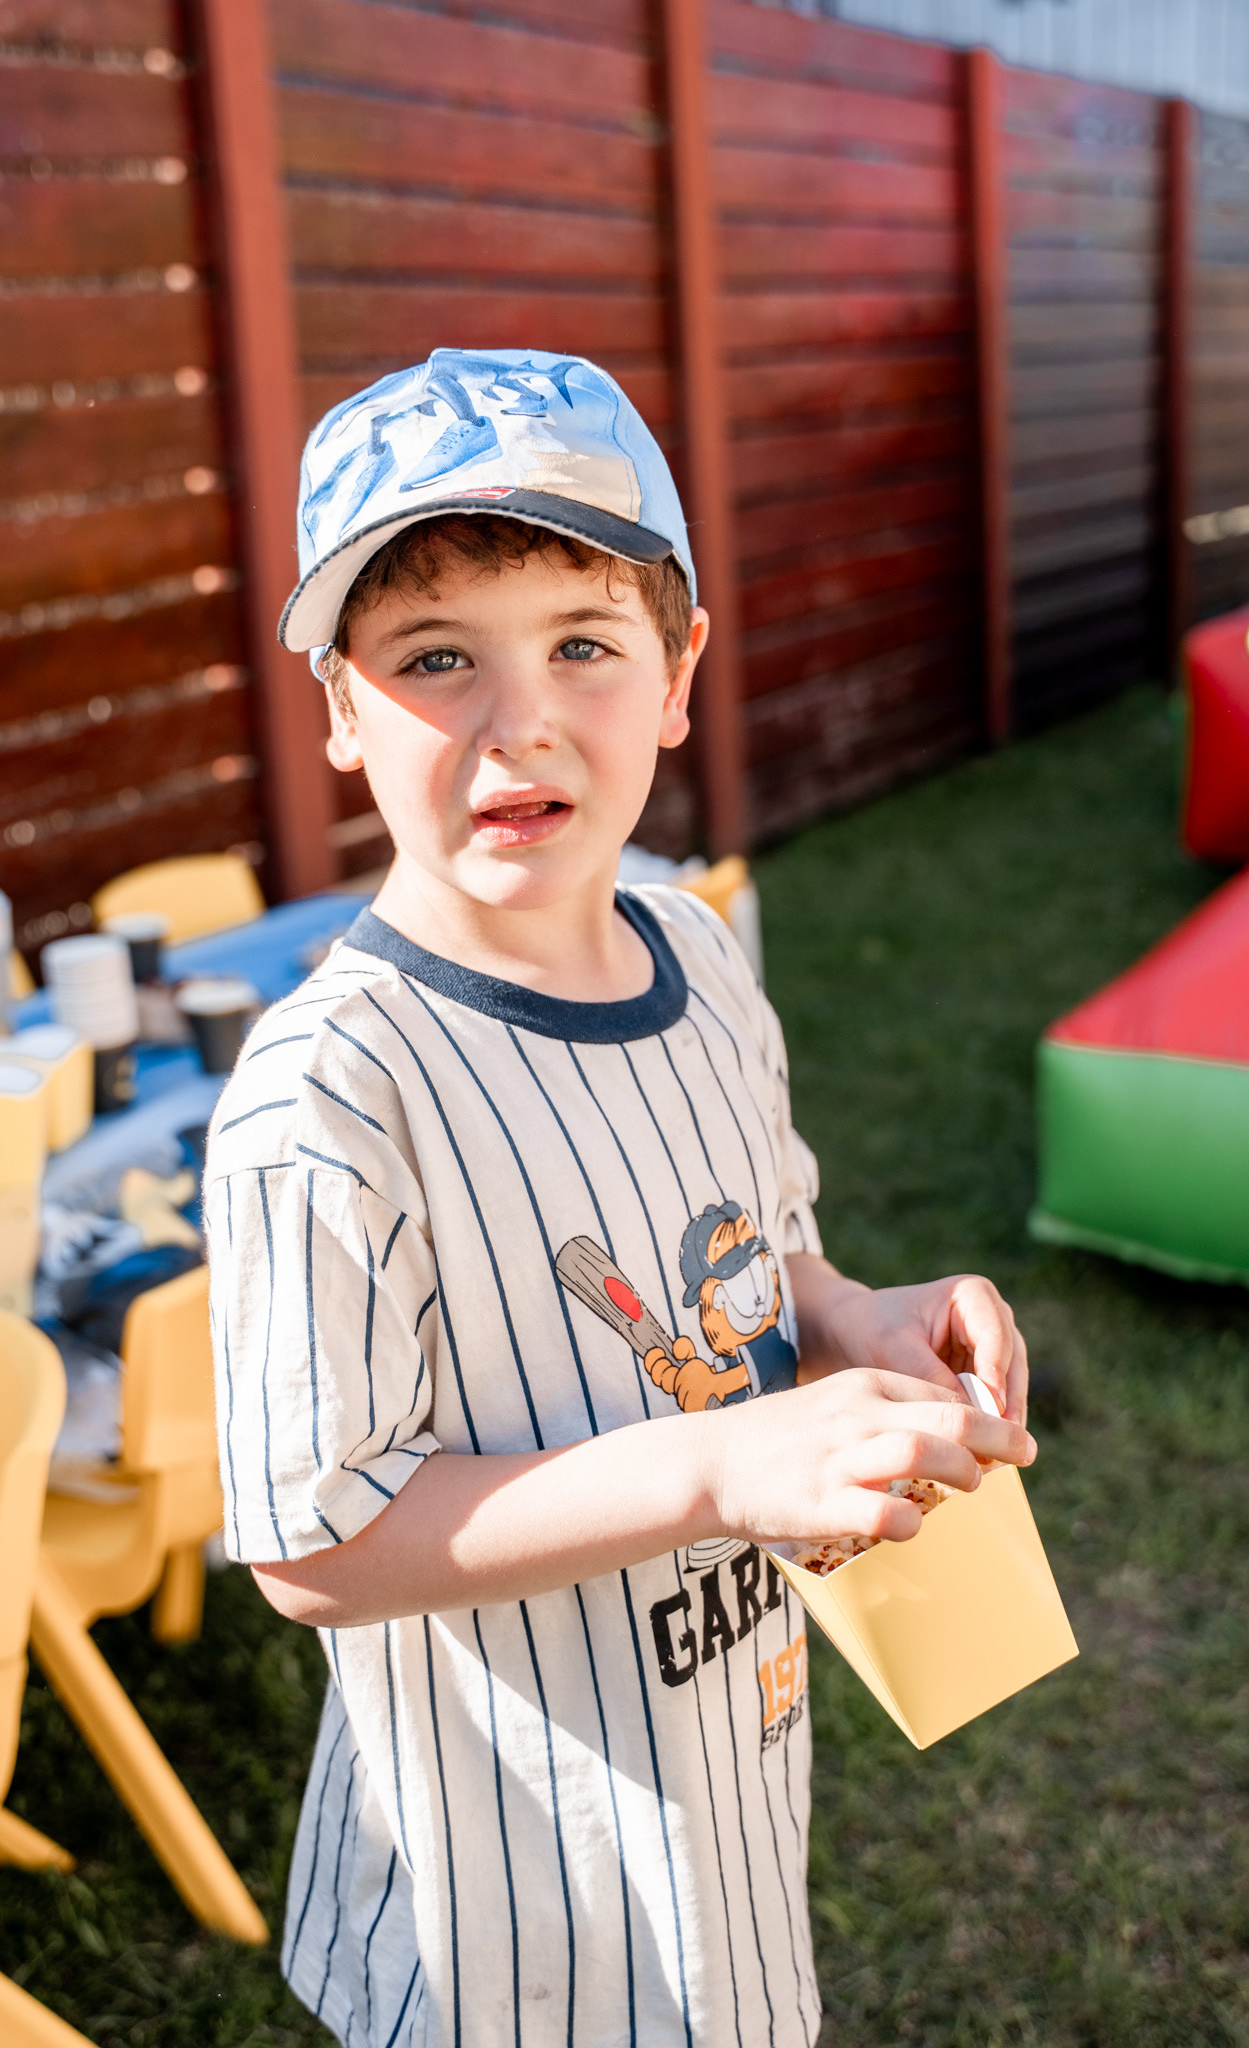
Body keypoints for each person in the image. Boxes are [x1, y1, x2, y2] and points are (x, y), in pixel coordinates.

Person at [204, 347, 1035, 2047]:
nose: (520, 718)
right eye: (436, 657)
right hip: (502, 1889)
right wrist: (723, 1459)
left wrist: (853, 1318)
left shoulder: (699, 954)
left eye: (582, 643)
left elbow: (764, 1236)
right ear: (344, 715)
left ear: (676, 676)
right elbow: (314, 1541)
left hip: (716, 1757)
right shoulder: (327, 1098)